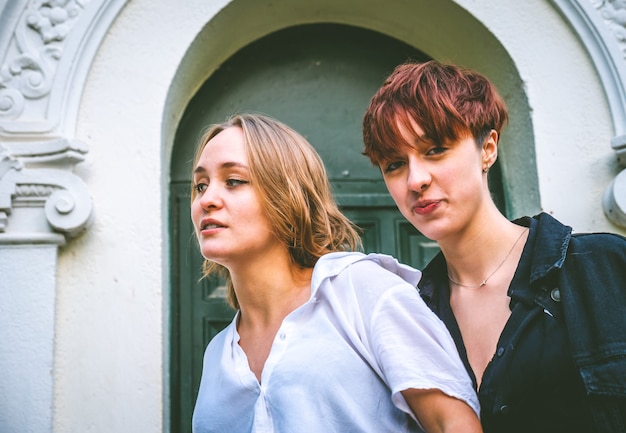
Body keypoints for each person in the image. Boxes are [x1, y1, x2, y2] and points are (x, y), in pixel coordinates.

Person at [362, 59, 626, 433]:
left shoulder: (604, 267)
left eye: (435, 149)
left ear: (487, 148)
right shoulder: (411, 313)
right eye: (393, 164)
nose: (415, 180)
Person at [189, 113, 482, 433]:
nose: (207, 200)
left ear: (288, 196)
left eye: (234, 181)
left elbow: (451, 424)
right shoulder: (217, 353)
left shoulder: (363, 292)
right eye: (200, 185)